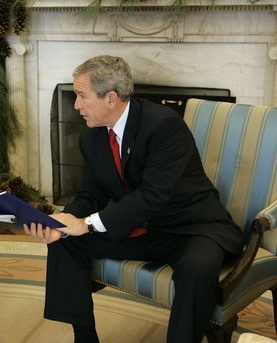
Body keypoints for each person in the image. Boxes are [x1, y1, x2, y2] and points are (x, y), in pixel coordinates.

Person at [24, 55, 244, 343]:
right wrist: (63, 221)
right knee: (66, 241)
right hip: (141, 228)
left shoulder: (164, 126)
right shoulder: (91, 136)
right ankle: (84, 337)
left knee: (197, 268)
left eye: (81, 96)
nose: (75, 105)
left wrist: (87, 224)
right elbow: (91, 192)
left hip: (191, 227)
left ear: (111, 98)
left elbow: (152, 197)